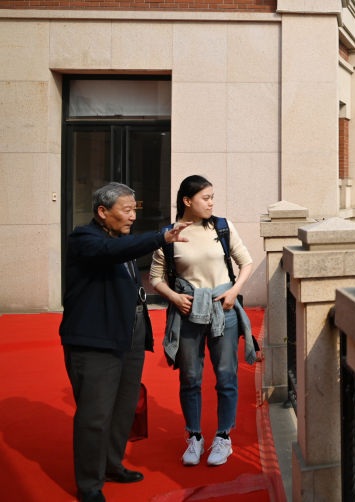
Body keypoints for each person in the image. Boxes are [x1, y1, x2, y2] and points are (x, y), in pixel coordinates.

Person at [61, 182, 191, 502]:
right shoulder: (84, 238)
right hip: (95, 339)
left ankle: (111, 465)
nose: (133, 216)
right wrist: (161, 236)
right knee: (95, 415)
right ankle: (89, 485)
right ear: (102, 212)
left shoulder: (123, 240)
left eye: (135, 209)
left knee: (124, 407)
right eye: (127, 210)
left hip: (130, 334)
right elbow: (110, 253)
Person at [151, 175, 256, 468]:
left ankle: (223, 437)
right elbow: (156, 278)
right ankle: (194, 436)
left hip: (224, 308)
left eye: (212, 197)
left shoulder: (222, 227)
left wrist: (234, 291)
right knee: (190, 377)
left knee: (226, 375)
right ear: (187, 201)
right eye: (205, 198)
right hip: (187, 312)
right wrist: (174, 297)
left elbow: (246, 262)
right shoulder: (169, 234)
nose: (211, 203)